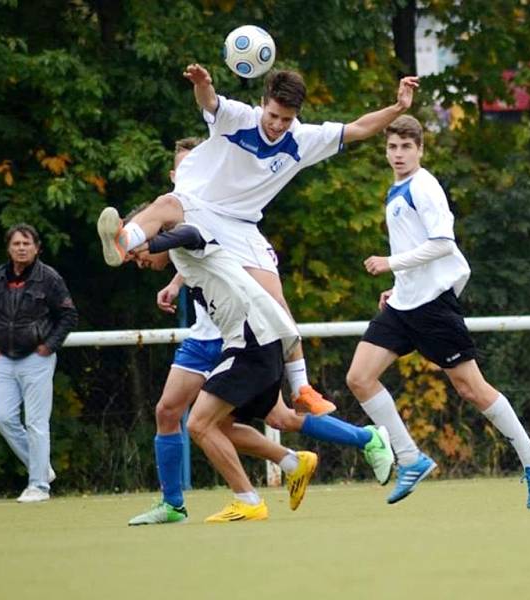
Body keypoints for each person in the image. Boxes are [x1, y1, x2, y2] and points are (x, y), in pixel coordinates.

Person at [97, 65, 419, 417]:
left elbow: (357, 129)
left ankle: (302, 388)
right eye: (273, 115)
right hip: (200, 204)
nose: (277, 124)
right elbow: (210, 102)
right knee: (166, 204)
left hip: (243, 226)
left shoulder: (302, 138)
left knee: (276, 302)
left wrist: (398, 107)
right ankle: (123, 240)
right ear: (262, 103)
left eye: (286, 118)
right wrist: (203, 85)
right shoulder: (238, 117)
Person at [128, 141, 394, 525]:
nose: (141, 262)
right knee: (222, 421)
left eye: (142, 255)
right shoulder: (185, 245)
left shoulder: (201, 225)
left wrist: (142, 240)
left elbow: (189, 238)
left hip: (249, 340)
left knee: (203, 422)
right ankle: (291, 462)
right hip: (246, 340)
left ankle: (251, 498)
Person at [345, 115, 530, 508]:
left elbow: (444, 243)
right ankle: (411, 458)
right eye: (392, 147)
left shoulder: (423, 186)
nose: (399, 154)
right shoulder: (397, 189)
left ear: (421, 150)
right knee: (359, 377)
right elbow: (422, 251)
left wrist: (391, 264)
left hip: (433, 308)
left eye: (407, 147)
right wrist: (399, 285)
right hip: (405, 304)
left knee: (470, 389)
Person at [0, 224, 78, 503]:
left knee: (37, 422)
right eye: (16, 244)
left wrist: (47, 347)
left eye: (26, 243)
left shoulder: (49, 278)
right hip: (4, 357)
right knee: (2, 417)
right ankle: (40, 468)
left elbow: (69, 315)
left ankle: (38, 485)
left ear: (37, 247)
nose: (21, 248)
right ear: (8, 248)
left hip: (37, 358)